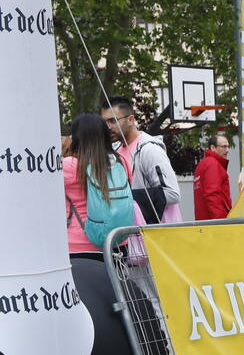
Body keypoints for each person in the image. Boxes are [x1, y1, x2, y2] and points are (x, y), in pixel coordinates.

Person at [101, 96, 181, 224]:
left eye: (113, 120)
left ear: (131, 119)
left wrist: (125, 198)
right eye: (104, 122)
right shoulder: (114, 151)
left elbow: (172, 193)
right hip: (131, 233)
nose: (108, 127)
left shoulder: (150, 150)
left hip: (155, 234)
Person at [64, 114, 134, 260]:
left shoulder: (69, 165)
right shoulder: (120, 161)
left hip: (79, 245)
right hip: (117, 242)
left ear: (76, 137)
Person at [193, 134, 233, 220]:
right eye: (224, 146)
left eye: (228, 146)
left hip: (204, 221)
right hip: (216, 222)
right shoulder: (213, 165)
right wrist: (220, 222)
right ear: (213, 148)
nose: (227, 150)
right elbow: (212, 195)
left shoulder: (203, 164)